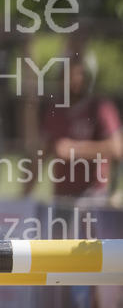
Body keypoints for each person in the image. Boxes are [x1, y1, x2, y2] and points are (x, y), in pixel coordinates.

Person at [28, 53, 122, 201]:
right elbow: (42, 153)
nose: (72, 80)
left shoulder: (100, 107)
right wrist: (25, 194)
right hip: (62, 197)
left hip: (92, 196)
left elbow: (117, 148)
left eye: (78, 74)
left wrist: (77, 150)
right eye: (67, 75)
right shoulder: (54, 110)